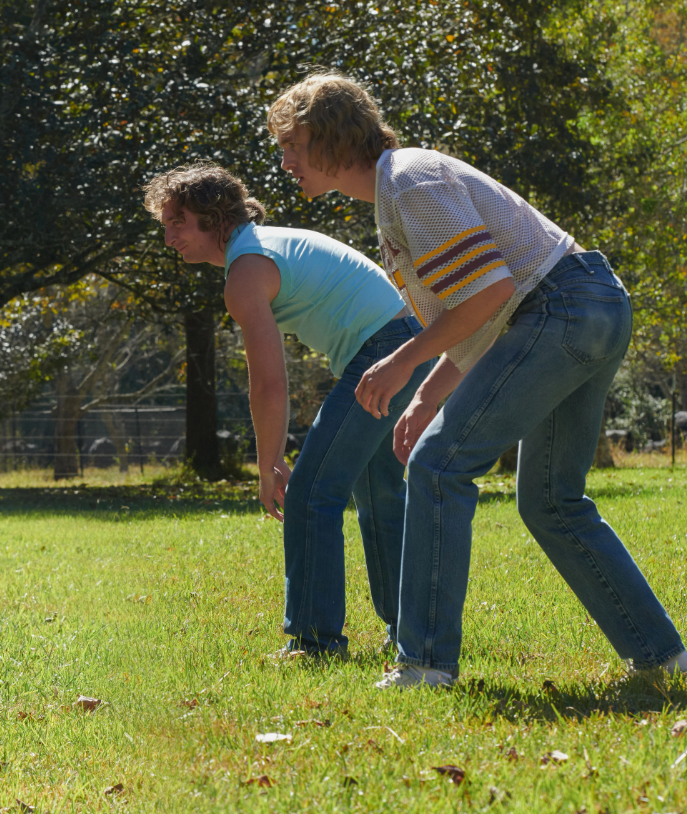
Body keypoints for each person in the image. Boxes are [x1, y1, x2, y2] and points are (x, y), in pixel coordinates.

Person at [267, 71, 687, 687]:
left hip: (560, 310)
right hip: (587, 308)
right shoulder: (396, 194)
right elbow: (476, 318)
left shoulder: (408, 178)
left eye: (291, 144)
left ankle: (426, 663)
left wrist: (404, 361)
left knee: (439, 466)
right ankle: (666, 660)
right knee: (551, 501)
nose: (284, 162)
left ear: (329, 138)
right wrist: (425, 400)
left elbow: (491, 293)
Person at [144, 162, 434, 659]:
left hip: (386, 351)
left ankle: (315, 641)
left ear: (214, 218)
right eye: (165, 224)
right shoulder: (262, 246)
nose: (169, 236)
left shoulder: (247, 269)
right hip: (409, 343)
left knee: (311, 492)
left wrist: (269, 462)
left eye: (179, 222)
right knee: (379, 492)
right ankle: (411, 632)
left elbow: (270, 384)